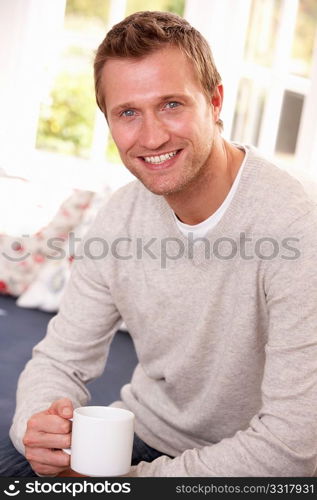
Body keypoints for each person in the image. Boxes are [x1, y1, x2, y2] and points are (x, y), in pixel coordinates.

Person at [2, 10, 317, 477]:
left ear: (214, 102)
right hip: (144, 436)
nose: (151, 136)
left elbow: (291, 447)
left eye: (172, 104)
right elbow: (61, 360)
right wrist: (39, 425)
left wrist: (134, 485)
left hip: (254, 467)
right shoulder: (119, 218)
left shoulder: (295, 227)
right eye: (128, 113)